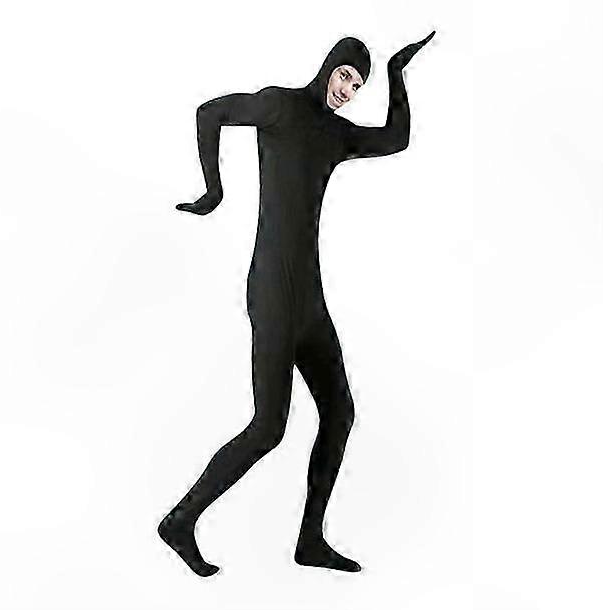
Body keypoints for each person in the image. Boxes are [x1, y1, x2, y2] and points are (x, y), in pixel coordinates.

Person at [159, 32, 435, 577]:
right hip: (271, 293)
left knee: (340, 411)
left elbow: (396, 139)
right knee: (269, 427)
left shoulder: (337, 134)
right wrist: (214, 192)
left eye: (357, 85)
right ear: (328, 66)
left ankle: (310, 540)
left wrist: (397, 73)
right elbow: (210, 112)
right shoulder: (280, 107)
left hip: (309, 298)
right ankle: (180, 521)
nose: (347, 90)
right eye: (345, 76)